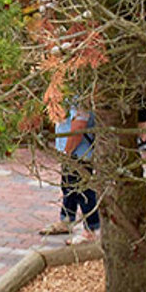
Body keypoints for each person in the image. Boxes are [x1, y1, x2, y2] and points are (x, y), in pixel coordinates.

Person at [44, 103, 99, 240]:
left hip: (79, 152)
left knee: (84, 191)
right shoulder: (68, 95)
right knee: (68, 186)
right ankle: (67, 219)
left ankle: (91, 229)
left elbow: (79, 126)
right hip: (71, 150)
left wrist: (67, 151)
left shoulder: (80, 97)